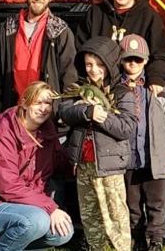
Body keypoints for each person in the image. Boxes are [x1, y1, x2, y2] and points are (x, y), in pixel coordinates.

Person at [0, 81, 75, 251]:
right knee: (36, 221)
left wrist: (77, 158)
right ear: (24, 103)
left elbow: (60, 165)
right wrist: (50, 207)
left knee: (63, 232)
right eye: (38, 102)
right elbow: (7, 185)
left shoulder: (46, 131)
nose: (44, 108)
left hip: (28, 205)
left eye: (48, 103)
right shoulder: (3, 133)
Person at [56, 36, 138, 251]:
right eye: (89, 64)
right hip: (84, 164)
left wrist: (103, 117)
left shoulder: (122, 92)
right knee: (90, 215)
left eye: (99, 64)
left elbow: (126, 128)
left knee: (115, 216)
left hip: (109, 166)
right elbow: (65, 111)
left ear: (110, 65)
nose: (93, 70)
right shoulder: (80, 89)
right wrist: (86, 111)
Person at [119, 35, 165, 251]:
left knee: (157, 203)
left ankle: (156, 238)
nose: (132, 64)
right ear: (121, 60)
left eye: (137, 60)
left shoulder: (159, 88)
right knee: (132, 203)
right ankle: (135, 236)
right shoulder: (115, 89)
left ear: (146, 60)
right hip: (128, 157)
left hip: (155, 156)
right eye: (128, 59)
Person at [0, 0, 78, 117]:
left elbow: (69, 77)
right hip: (13, 109)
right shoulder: (7, 28)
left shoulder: (60, 31)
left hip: (46, 113)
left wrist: (64, 115)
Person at [78, 0, 165, 92]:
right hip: (100, 84)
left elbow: (161, 53)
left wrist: (156, 77)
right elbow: (80, 48)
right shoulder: (95, 13)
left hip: (136, 85)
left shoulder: (148, 16)